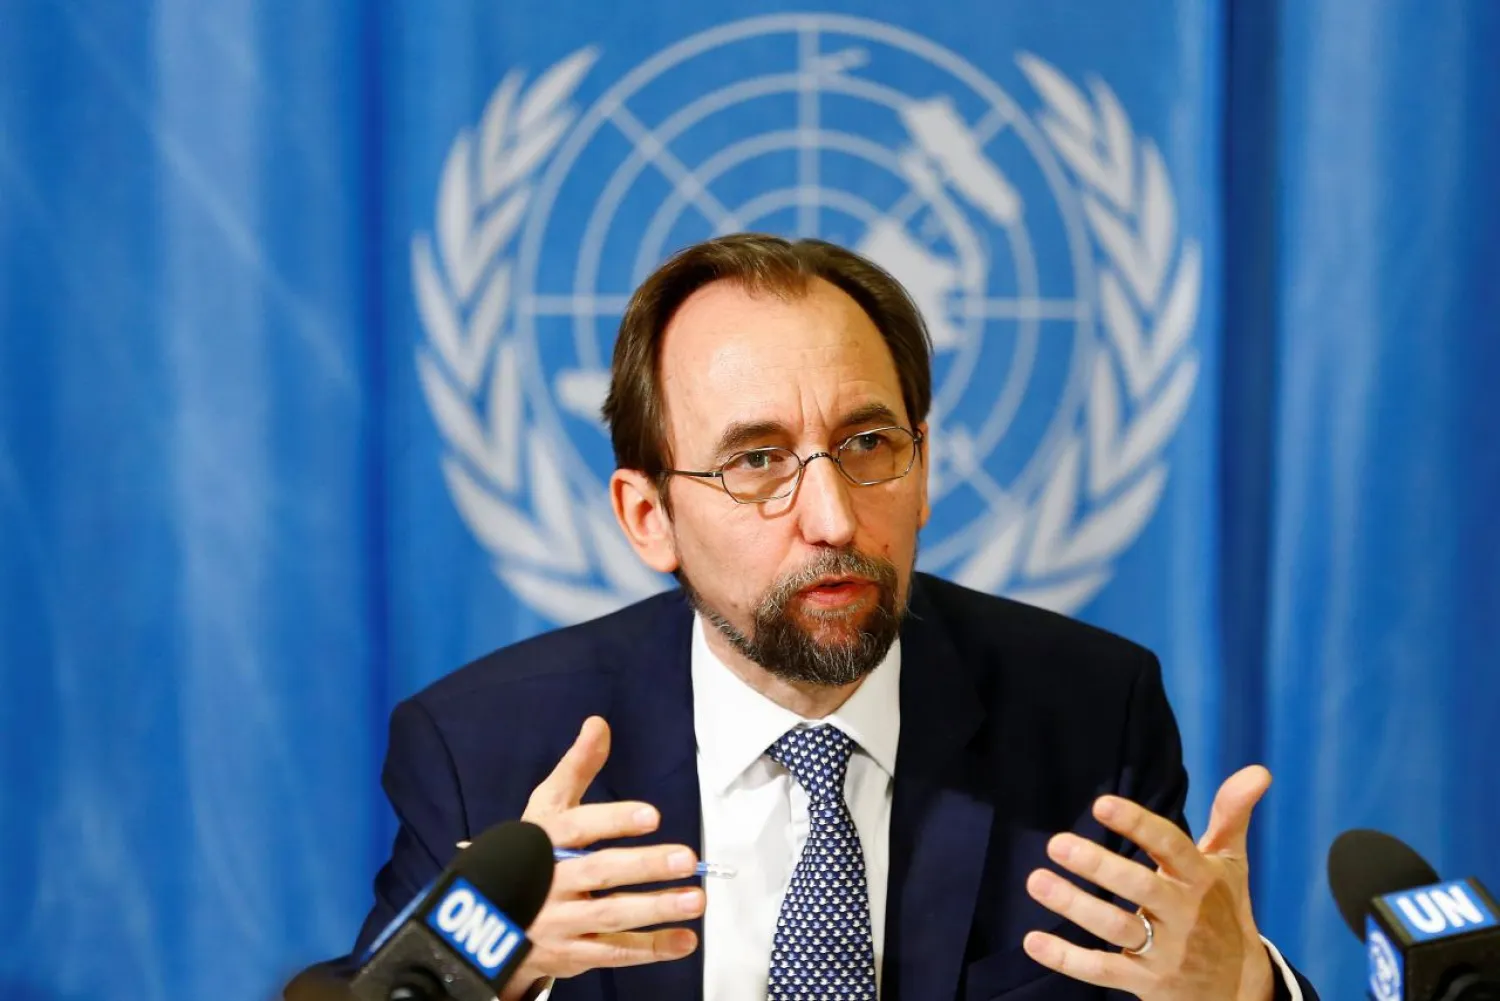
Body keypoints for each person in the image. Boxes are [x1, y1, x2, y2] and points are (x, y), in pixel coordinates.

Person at [339, 234, 1318, 1000]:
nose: (835, 517)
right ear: (649, 516)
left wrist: (1243, 987)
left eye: (868, 442)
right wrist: (484, 973)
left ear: (924, 467)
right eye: (756, 460)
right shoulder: (490, 750)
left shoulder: (1088, 712)